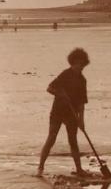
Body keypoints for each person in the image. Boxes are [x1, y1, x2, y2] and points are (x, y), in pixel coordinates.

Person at [37, 48, 90, 177]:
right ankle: (40, 168)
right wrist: (60, 94)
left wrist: (81, 120)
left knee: (73, 142)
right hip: (58, 112)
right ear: (72, 62)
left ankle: (79, 169)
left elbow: (82, 103)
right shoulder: (65, 74)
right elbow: (49, 88)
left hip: (72, 114)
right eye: (78, 64)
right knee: (51, 139)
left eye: (82, 65)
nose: (80, 67)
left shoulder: (82, 80)